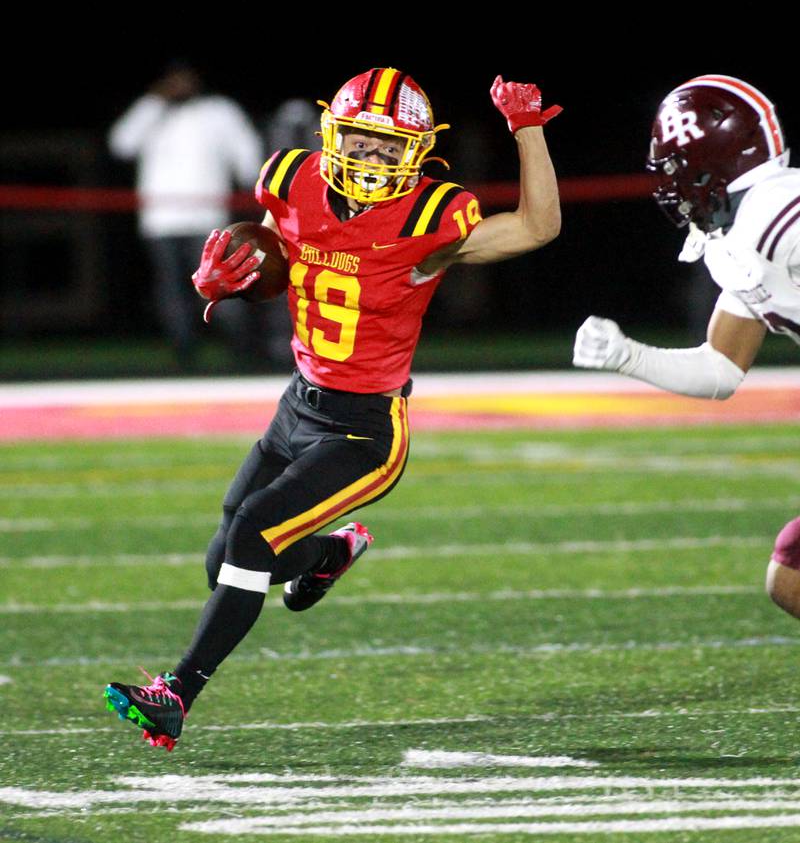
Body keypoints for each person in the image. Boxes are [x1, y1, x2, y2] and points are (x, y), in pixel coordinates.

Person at [103, 68, 562, 750]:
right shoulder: (290, 179)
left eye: (389, 146)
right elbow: (273, 254)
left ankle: (177, 693)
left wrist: (526, 128)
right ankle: (324, 557)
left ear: (415, 151)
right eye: (362, 141)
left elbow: (537, 225)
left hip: (366, 426)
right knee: (223, 559)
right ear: (332, 135)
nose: (374, 159)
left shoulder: (431, 217)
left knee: (254, 530)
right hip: (298, 403)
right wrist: (230, 273)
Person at [572, 73, 800, 625]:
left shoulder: (781, 215)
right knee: (790, 578)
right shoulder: (740, 230)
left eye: (678, 168)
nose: (671, 185)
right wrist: (628, 356)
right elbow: (720, 368)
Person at [108, 62, 263, 369]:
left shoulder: (219, 111)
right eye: (173, 80)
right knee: (171, 291)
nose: (180, 84)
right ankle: (184, 354)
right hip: (161, 220)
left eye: (185, 78)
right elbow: (121, 144)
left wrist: (256, 190)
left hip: (207, 218)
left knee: (223, 285)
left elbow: (247, 154)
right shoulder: (152, 111)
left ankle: (242, 351)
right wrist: (155, 100)